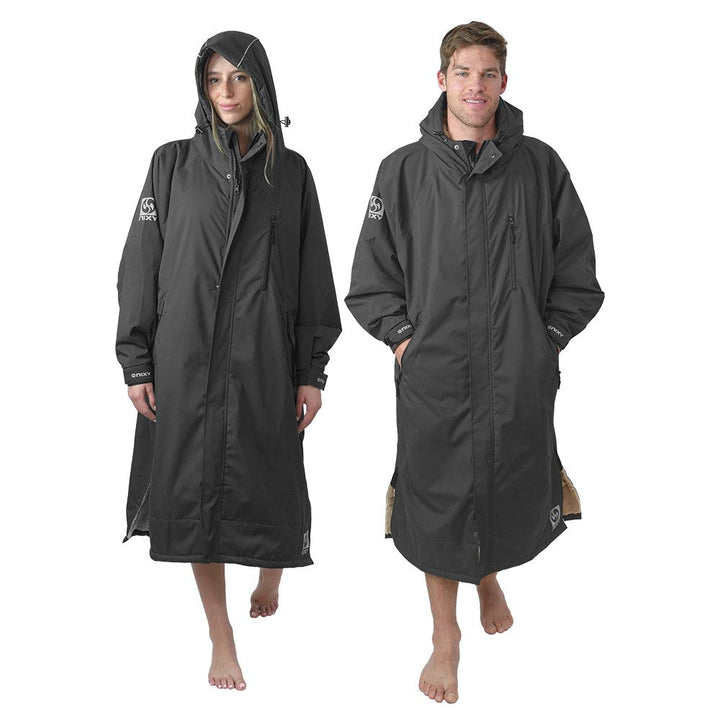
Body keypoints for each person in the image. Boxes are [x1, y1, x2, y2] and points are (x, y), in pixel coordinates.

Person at [345, 21, 603, 704]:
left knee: (504, 479)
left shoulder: (540, 166)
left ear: (504, 83)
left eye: (488, 74)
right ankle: (445, 637)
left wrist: (545, 338)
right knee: (436, 497)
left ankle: (487, 576)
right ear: (441, 80)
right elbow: (371, 278)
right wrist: (404, 339)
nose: (475, 86)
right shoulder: (402, 170)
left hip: (516, 370)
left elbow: (577, 270)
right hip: (435, 373)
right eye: (462, 73)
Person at [116, 31, 341, 691]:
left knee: (271, 480)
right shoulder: (171, 164)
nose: (226, 92)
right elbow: (140, 265)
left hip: (263, 359)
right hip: (184, 358)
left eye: (238, 78)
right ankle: (221, 635)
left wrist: (311, 371)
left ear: (260, 85)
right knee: (194, 501)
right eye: (214, 80)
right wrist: (137, 361)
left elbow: (313, 275)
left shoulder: (291, 173)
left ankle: (272, 571)